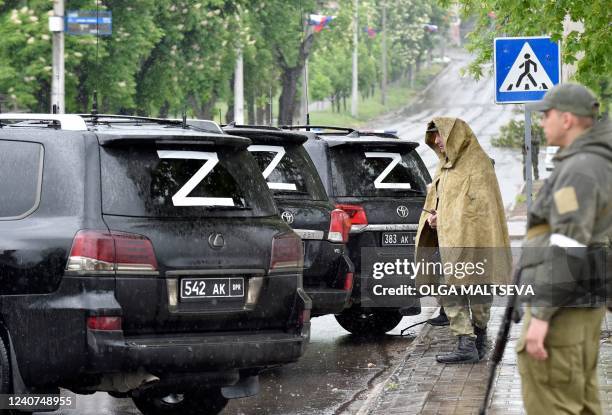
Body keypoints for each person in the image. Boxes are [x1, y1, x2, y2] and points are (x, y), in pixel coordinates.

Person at [516, 83, 611, 414]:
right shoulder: (589, 162)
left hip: (564, 308)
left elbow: (569, 243)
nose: (543, 122)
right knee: (580, 403)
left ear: (567, 119)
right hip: (577, 301)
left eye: (547, 114)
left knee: (553, 401)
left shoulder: (580, 169)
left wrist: (541, 315)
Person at [415, 117, 512, 364]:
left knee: (478, 289)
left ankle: (477, 338)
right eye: (434, 136)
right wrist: (438, 216)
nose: (436, 141)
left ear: (455, 136)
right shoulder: (445, 166)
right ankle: (467, 342)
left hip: (477, 240)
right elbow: (445, 201)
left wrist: (445, 218)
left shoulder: (478, 165)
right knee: (449, 287)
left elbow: (480, 209)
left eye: (440, 135)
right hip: (451, 241)